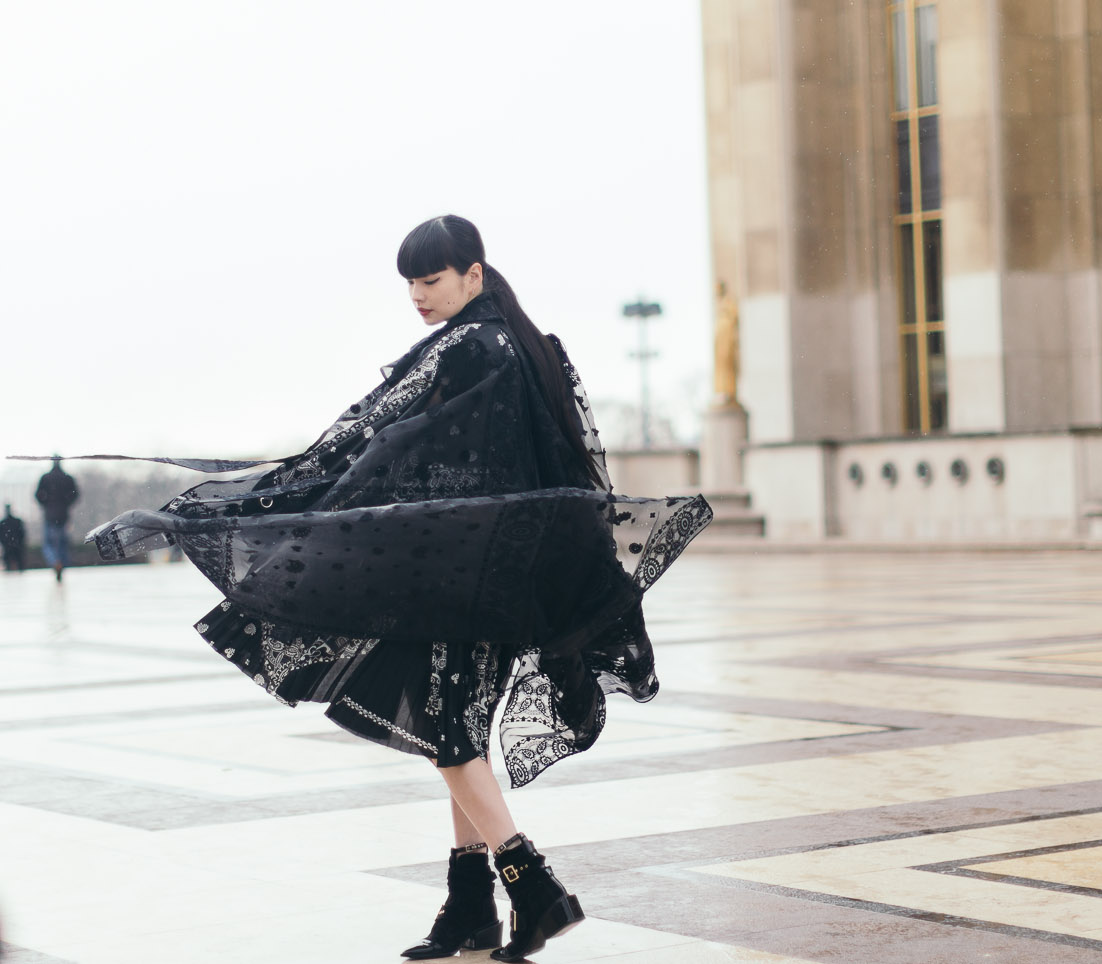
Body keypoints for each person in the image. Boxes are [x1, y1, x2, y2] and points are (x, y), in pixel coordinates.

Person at [87, 215, 712, 962]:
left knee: (446, 731)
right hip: (502, 573)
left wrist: (207, 505)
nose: (418, 295)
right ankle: (471, 909)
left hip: (455, 576)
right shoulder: (523, 348)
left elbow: (361, 437)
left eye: (432, 280)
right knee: (457, 727)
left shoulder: (468, 347)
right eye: (411, 284)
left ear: (473, 275)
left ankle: (533, 885)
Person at [35, 458, 79, 581]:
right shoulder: (67, 478)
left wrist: (46, 503)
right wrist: (67, 503)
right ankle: (62, 563)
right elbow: (75, 494)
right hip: (63, 515)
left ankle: (55, 562)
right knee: (62, 543)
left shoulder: (46, 478)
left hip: (50, 515)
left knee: (49, 543)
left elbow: (38, 494)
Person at [0, 504, 25, 571]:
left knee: (13, 561)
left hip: (10, 545)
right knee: (17, 562)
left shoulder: (3, 522)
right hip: (14, 545)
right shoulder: (16, 521)